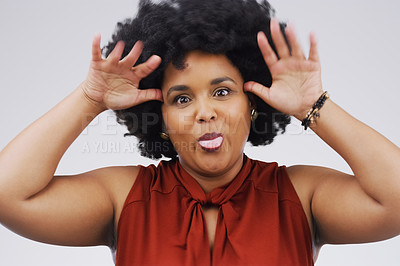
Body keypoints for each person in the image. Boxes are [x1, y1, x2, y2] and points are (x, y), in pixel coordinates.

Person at [0, 0, 399, 265]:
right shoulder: (124, 197)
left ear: (253, 103)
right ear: (162, 120)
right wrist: (90, 98)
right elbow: (8, 193)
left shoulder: (300, 194)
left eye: (222, 92)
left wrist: (313, 107)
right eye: (181, 99)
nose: (204, 113)